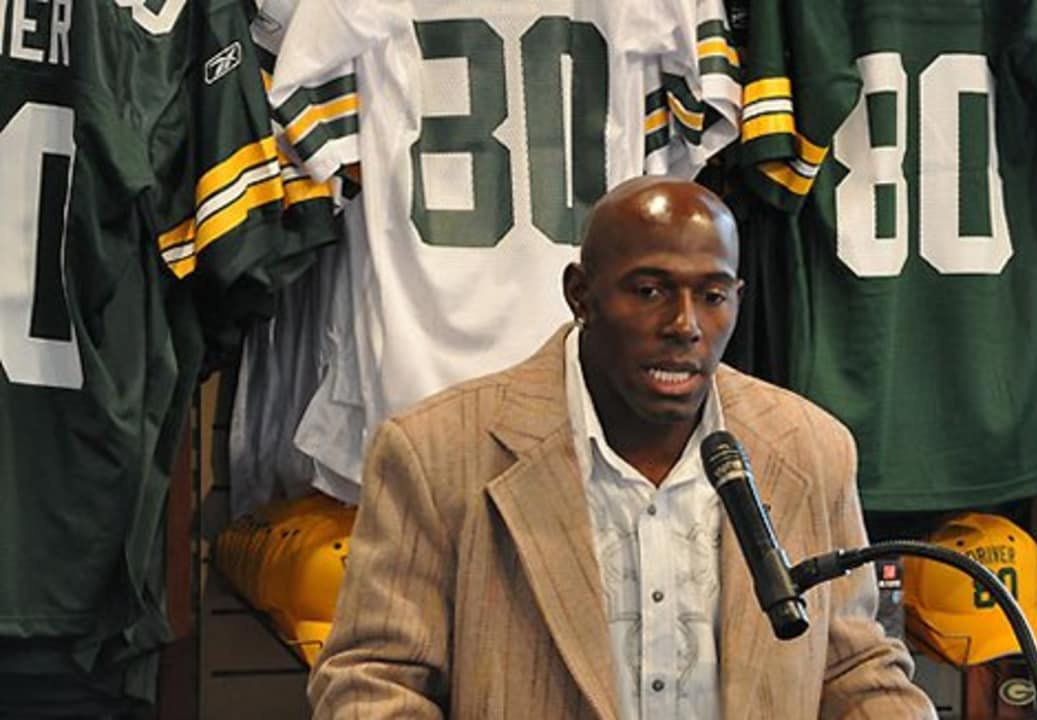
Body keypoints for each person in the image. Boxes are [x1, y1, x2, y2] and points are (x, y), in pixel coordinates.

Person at [308, 177, 937, 719]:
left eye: (711, 296)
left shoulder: (810, 450)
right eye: (650, 290)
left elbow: (856, 668)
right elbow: (375, 682)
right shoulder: (436, 451)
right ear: (581, 293)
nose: (685, 325)